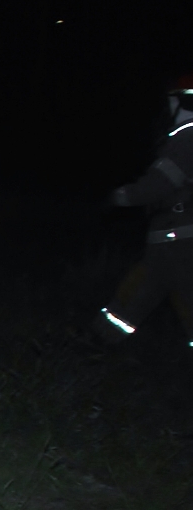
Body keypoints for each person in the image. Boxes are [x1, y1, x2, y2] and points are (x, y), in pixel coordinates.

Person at [96, 76, 193, 349]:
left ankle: (95, 351)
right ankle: (95, 352)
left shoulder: (187, 139)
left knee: (137, 296)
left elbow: (157, 185)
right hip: (174, 241)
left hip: (178, 242)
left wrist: (118, 197)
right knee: (132, 300)